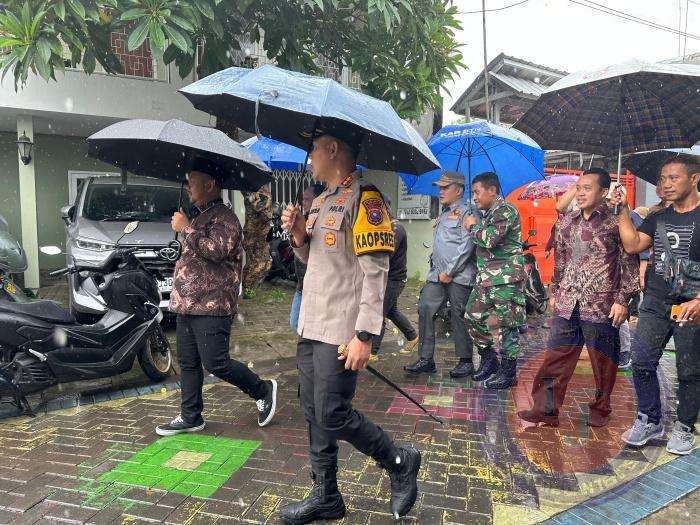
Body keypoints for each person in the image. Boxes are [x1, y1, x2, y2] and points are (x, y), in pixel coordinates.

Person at [279, 126, 421, 524]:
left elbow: (376, 274)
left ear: (332, 149)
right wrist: (298, 235)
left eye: (313, 149)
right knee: (313, 410)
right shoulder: (323, 200)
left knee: (332, 412)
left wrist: (364, 335)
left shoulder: (366, 199)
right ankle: (326, 495)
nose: (309, 158)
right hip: (312, 323)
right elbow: (315, 260)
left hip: (342, 328)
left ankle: (398, 460)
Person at [156, 160, 277, 436]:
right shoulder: (200, 216)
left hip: (212, 305)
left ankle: (262, 390)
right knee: (188, 363)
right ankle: (191, 416)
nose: (188, 187)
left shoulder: (225, 218)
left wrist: (186, 229)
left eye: (193, 182)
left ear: (210, 185)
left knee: (216, 363)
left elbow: (216, 250)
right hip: (187, 304)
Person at [518, 168, 639, 427]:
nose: (580, 193)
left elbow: (628, 263)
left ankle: (601, 409)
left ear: (603, 192)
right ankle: (545, 410)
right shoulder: (567, 222)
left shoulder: (615, 223)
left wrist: (623, 300)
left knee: (603, 362)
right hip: (567, 302)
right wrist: (555, 290)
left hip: (601, 304)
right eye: (579, 188)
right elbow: (561, 260)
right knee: (555, 358)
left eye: (587, 188)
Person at [609, 155, 700, 455]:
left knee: (689, 369)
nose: (666, 184)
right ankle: (649, 419)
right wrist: (623, 210)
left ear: (694, 179)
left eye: (674, 178)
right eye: (663, 179)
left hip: (691, 305)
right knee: (642, 361)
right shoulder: (658, 217)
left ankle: (685, 426)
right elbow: (633, 244)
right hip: (656, 302)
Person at [404, 171, 478, 378]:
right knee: (425, 307)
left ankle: (465, 361)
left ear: (459, 190)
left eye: (445, 187)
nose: (441, 191)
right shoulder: (444, 213)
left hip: (459, 275)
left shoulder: (469, 212)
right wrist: (440, 271)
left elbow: (467, 245)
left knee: (459, 315)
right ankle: (426, 359)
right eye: (440, 187)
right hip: (437, 275)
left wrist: (450, 271)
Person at [463, 172, 526, 389]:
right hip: (486, 279)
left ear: (492, 190)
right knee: (471, 316)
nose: (474, 197)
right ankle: (489, 359)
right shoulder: (489, 213)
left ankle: (508, 372)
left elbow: (489, 239)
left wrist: (472, 226)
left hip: (506, 279)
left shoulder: (506, 210)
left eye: (477, 192)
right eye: (472, 193)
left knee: (508, 325)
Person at [371, 194, 418, 355]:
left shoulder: (395, 229)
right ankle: (412, 337)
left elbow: (385, 257)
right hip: (389, 278)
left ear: (386, 208)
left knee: (378, 314)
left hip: (393, 280)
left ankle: (372, 352)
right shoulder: (386, 227)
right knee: (391, 311)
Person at [290, 183, 324, 331]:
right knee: (295, 323)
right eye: (302, 199)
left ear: (318, 200)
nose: (303, 202)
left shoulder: (322, 223)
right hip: (302, 285)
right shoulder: (302, 219)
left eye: (307, 199)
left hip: (317, 287)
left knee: (305, 327)